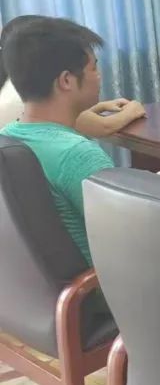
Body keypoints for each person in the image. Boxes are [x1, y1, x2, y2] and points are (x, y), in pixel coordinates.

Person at [0, 18, 116, 264]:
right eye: (94, 68)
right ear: (66, 81)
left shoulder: (7, 136)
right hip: (100, 283)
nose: (99, 76)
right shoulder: (77, 155)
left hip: (38, 283)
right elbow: (130, 235)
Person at [0, 15, 147, 135]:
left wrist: (99, 107)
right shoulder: (25, 96)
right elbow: (103, 126)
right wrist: (133, 110)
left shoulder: (18, 85)